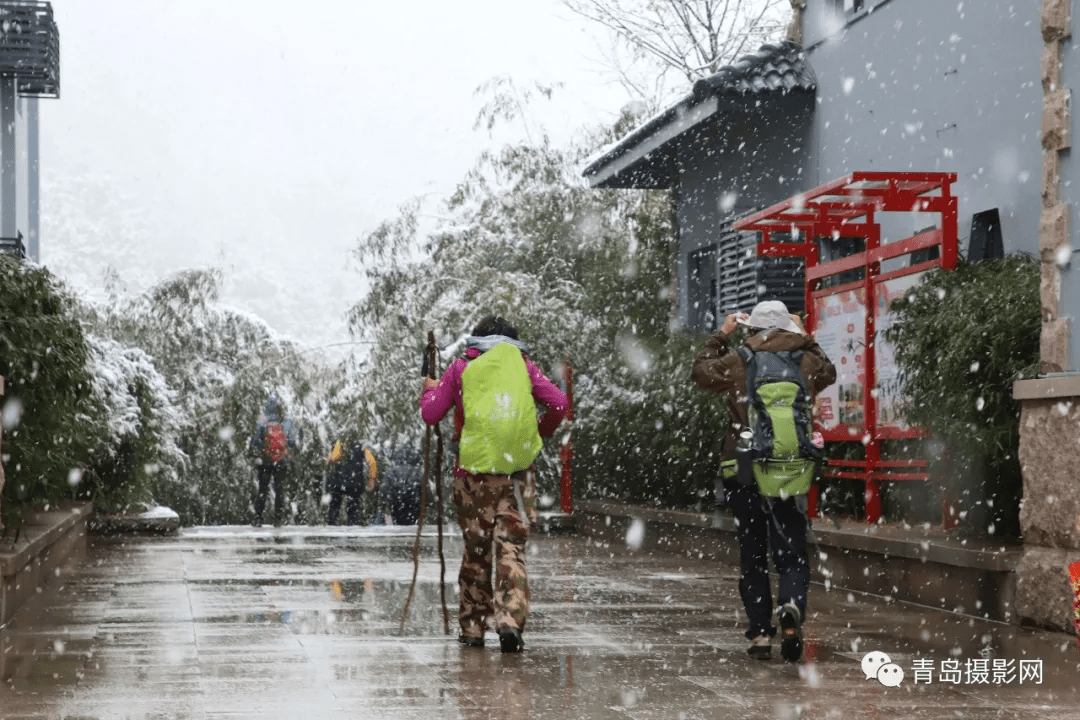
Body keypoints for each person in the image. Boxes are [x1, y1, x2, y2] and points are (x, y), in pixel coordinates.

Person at [691, 300, 836, 662]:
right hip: (789, 469)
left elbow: (699, 372)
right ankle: (790, 609)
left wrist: (721, 335)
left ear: (751, 328)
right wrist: (806, 336)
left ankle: (759, 635)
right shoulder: (806, 362)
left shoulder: (739, 360)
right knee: (791, 553)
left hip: (744, 468)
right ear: (790, 329)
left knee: (752, 555)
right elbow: (830, 372)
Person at [421, 315, 567, 653]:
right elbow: (558, 403)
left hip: (472, 476)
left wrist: (428, 393)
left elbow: (431, 414)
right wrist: (540, 430)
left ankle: (473, 627)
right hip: (518, 474)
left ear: (476, 341)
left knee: (476, 552)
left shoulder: (460, 369)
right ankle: (510, 621)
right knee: (511, 548)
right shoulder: (525, 367)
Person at [248, 395, 299, 526]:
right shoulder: (287, 422)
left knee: (262, 489)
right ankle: (278, 519)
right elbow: (292, 442)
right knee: (279, 490)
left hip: (266, 460)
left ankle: (258, 517)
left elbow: (256, 441)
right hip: (281, 460)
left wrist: (258, 453)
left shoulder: (262, 421)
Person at [325, 438, 376, 525]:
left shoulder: (339, 441)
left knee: (334, 508)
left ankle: (332, 529)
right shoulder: (362, 444)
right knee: (353, 511)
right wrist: (371, 480)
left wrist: (328, 459)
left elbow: (335, 457)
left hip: (339, 482)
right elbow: (372, 462)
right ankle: (353, 528)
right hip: (355, 483)